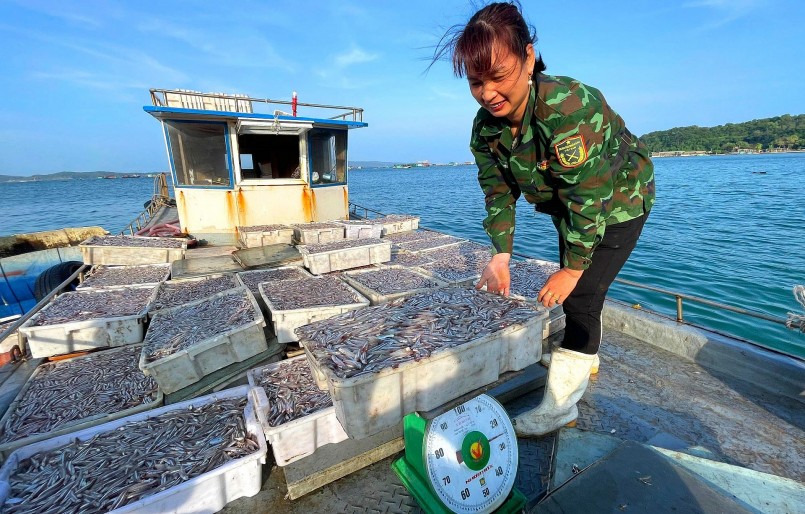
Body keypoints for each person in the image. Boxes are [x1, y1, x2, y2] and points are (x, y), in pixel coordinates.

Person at [434, 1, 655, 437]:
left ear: (529, 57)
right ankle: (584, 355)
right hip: (571, 210)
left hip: (619, 202)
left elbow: (587, 198)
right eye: (476, 82)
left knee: (581, 294)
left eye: (498, 76)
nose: (488, 93)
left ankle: (559, 407)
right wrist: (500, 255)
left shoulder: (568, 107)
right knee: (580, 292)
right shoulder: (485, 129)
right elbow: (498, 191)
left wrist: (572, 268)